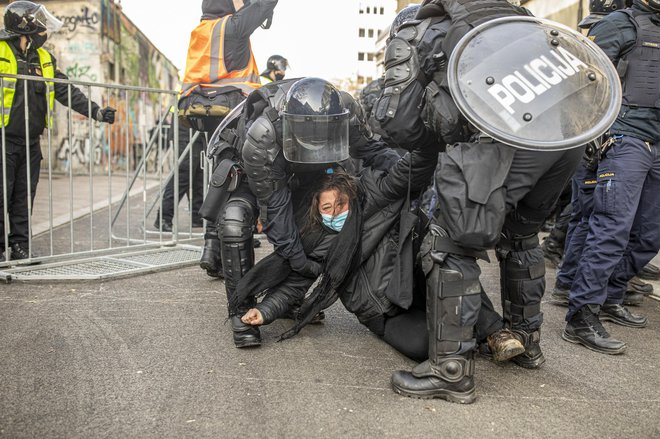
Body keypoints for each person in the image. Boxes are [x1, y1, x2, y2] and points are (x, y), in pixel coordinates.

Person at [376, 0, 619, 403]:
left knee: (447, 243)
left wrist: (437, 141)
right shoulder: (512, 16)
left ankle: (450, 371)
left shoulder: (417, 29)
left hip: (505, 141)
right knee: (521, 237)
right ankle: (527, 343)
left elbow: (397, 121)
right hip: (563, 139)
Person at [236, 139, 525, 364]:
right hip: (383, 315)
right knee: (427, 346)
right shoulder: (317, 241)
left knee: (448, 260)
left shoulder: (376, 199)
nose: (335, 212)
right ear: (317, 210)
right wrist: (264, 311)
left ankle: (495, 333)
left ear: (352, 198)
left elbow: (408, 170)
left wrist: (425, 140)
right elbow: (295, 285)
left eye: (341, 204)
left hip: (415, 286)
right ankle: (461, 329)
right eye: (327, 208)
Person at [211, 77, 376, 348]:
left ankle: (288, 301)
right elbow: (275, 211)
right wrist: (300, 263)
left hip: (310, 176)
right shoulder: (265, 134)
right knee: (234, 222)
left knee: (323, 222)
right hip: (258, 173)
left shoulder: (345, 112)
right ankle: (241, 309)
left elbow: (372, 152)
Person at [562, 0, 660, 354]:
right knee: (611, 228)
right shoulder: (620, 24)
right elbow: (584, 81)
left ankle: (612, 295)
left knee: (649, 232)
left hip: (657, 145)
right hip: (625, 139)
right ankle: (581, 315)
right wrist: (592, 134)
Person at [0, 1, 115, 262]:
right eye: (39, 25)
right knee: (0, 195)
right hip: (2, 139)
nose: (44, 32)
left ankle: (20, 247)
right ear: (25, 28)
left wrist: (96, 111)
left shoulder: (44, 59)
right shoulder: (0, 53)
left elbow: (66, 91)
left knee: (23, 198)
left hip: (30, 141)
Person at [177, 0, 278, 277]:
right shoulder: (232, 27)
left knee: (222, 175)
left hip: (208, 110)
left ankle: (212, 251)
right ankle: (223, 254)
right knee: (234, 180)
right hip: (232, 112)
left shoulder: (203, 29)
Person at [153, 125, 205, 232]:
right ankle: (164, 217)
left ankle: (197, 216)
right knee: (182, 175)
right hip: (186, 132)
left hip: (198, 134)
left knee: (198, 176)